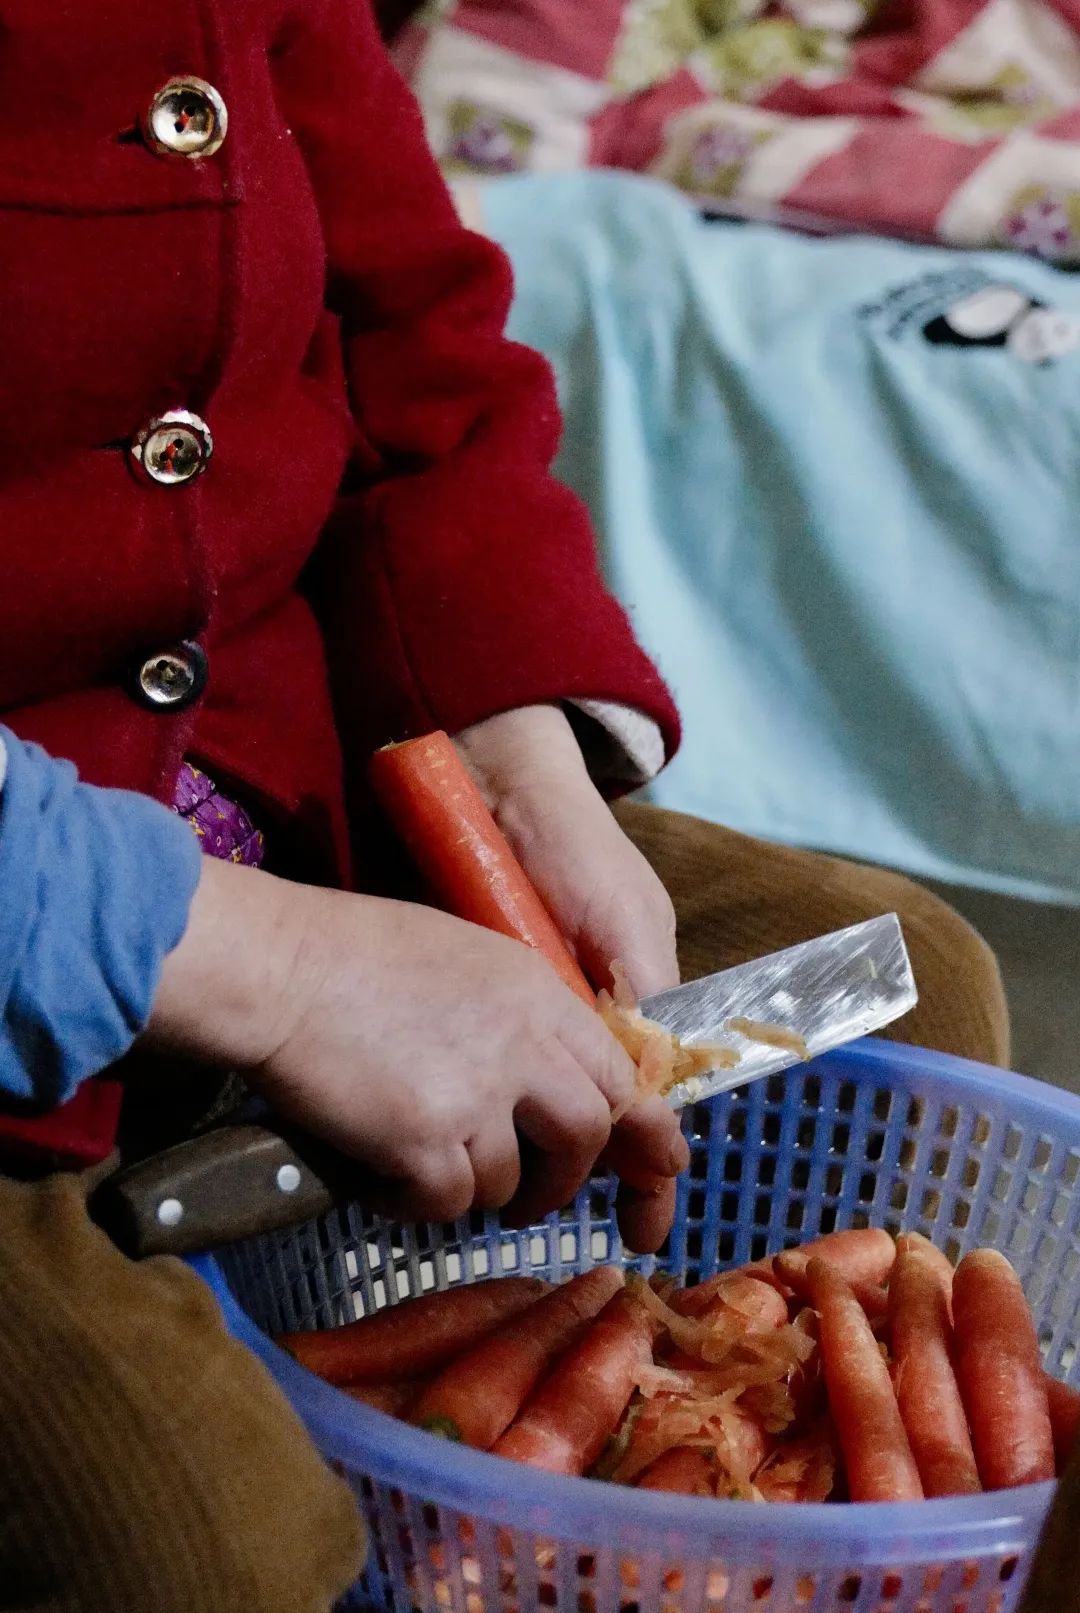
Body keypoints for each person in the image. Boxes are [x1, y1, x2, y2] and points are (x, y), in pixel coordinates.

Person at [0, 4, 1009, 1610]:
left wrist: (522, 769)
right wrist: (285, 972)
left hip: (271, 791)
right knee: (220, 1554)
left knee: (907, 995)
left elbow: (402, 333)